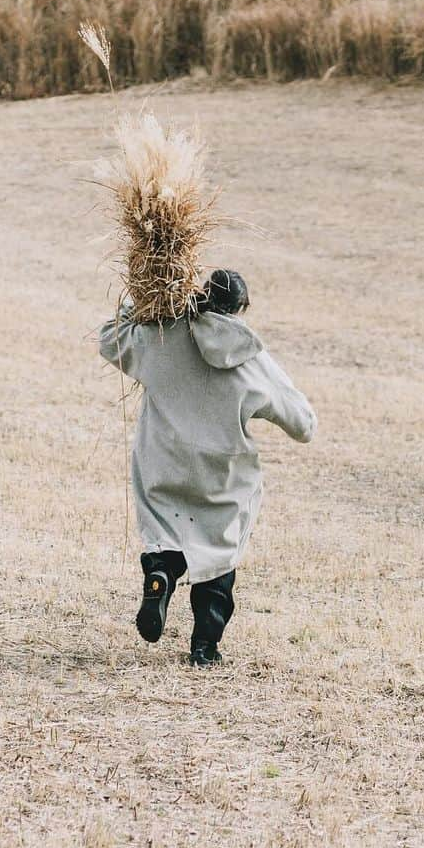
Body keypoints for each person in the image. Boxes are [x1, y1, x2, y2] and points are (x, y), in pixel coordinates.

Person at [99, 268, 316, 665]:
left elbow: (110, 338)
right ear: (239, 309)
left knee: (165, 531)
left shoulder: (163, 337)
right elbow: (304, 424)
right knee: (219, 551)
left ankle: (160, 575)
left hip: (162, 462)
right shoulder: (252, 357)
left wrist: (145, 298)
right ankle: (204, 647)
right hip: (222, 473)